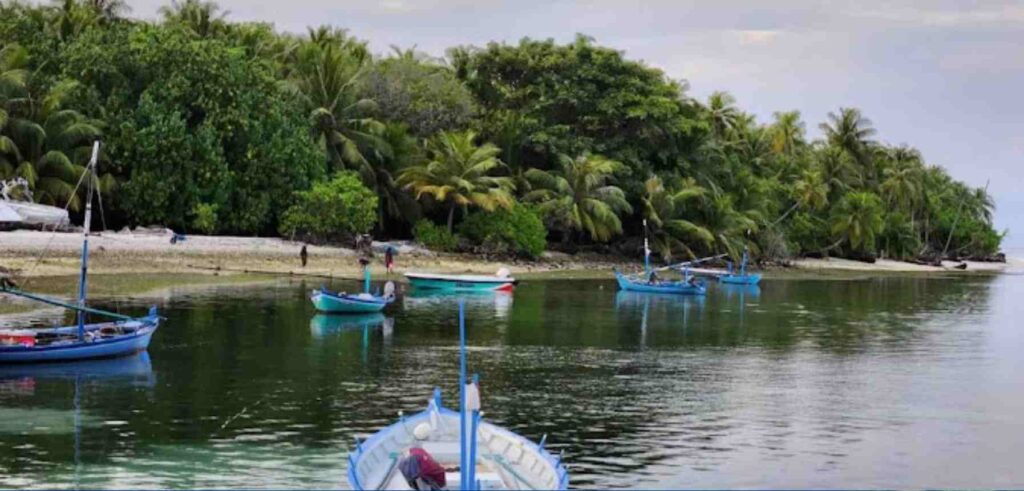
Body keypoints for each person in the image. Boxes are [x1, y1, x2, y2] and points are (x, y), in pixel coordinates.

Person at [398, 423, 447, 490]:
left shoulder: (408, 453)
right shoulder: (423, 457)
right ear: (428, 437)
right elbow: (439, 473)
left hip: (414, 483)